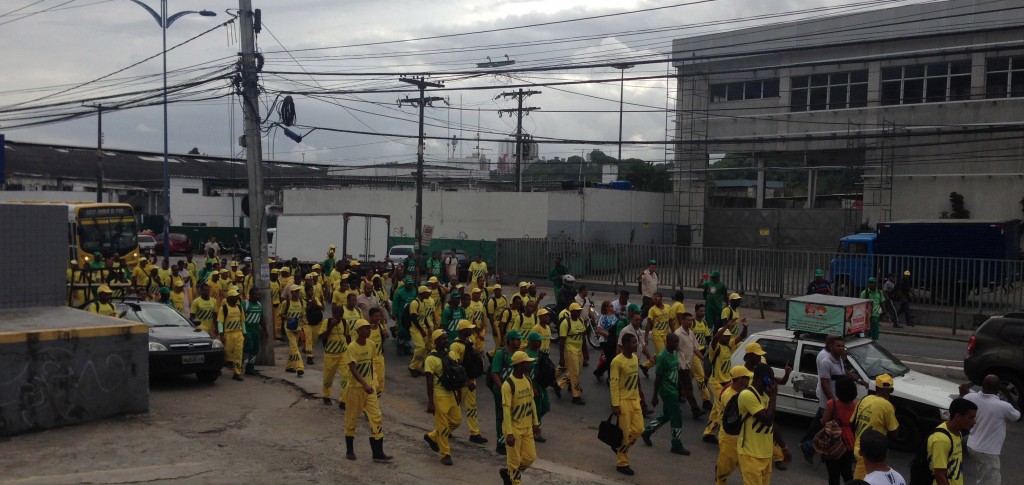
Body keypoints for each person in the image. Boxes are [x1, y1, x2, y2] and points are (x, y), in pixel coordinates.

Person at [803, 335, 867, 464]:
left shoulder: (839, 361)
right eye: (838, 346)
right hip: (829, 404)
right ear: (830, 346)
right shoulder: (825, 362)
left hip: (836, 402)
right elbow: (825, 384)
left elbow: (843, 374)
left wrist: (858, 380)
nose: (841, 348)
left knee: (826, 430)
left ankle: (813, 448)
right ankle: (811, 447)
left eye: (842, 346)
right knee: (829, 431)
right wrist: (835, 405)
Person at [342, 319, 392, 462]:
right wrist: (364, 384)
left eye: (368, 328)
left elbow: (371, 363)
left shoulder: (371, 344)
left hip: (369, 389)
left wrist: (373, 381)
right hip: (355, 389)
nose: (368, 331)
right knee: (351, 418)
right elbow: (353, 368)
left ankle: (378, 452)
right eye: (364, 329)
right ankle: (350, 449)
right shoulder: (352, 347)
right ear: (358, 331)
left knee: (376, 416)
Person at [959, 374, 1021, 484]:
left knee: (983, 478)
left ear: (982, 385)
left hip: (972, 445)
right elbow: (1018, 416)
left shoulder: (970, 397)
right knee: (990, 482)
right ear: (998, 389)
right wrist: (1009, 395)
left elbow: (958, 405)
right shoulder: (1003, 406)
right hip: (987, 452)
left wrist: (962, 394)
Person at [737, 364, 792, 484]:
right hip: (750, 454)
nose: (773, 382)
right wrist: (773, 397)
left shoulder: (764, 396)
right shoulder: (747, 395)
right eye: (771, 378)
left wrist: (784, 447)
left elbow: (771, 423)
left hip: (765, 454)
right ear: (763, 378)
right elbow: (766, 420)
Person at [641, 332, 691, 455]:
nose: (677, 344)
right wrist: (654, 396)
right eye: (674, 342)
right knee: (677, 417)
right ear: (668, 343)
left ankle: (647, 431)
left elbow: (676, 370)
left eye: (677, 342)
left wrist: (682, 387)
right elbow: (658, 378)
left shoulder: (674, 353)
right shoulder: (662, 357)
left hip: (674, 389)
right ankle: (676, 444)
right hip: (667, 391)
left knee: (667, 415)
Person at [499, 351, 540, 485]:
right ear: (519, 365)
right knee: (514, 461)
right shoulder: (508, 385)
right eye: (527, 363)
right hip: (514, 429)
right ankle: (515, 480)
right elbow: (505, 409)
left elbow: (531, 402)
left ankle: (510, 473)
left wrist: (536, 423)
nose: (530, 365)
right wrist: (509, 433)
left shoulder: (527, 379)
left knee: (530, 457)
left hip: (527, 426)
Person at [702, 323, 748, 443]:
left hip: (726, 382)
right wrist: (726, 325)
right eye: (725, 336)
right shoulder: (715, 348)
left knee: (716, 410)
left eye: (728, 336)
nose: (727, 338)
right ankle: (725, 436)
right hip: (716, 383)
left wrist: (745, 326)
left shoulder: (729, 346)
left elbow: (742, 335)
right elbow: (715, 338)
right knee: (723, 409)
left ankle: (708, 433)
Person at [610, 332, 647, 476]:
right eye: (633, 343)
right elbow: (613, 384)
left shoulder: (635, 358)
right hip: (623, 401)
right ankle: (622, 463)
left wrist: (641, 397)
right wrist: (615, 404)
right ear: (625, 345)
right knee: (624, 433)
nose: (636, 345)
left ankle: (620, 448)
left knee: (639, 429)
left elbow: (636, 379)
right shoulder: (617, 362)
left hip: (635, 399)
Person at [424, 329, 461, 466]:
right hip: (439, 396)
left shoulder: (451, 354)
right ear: (435, 341)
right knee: (443, 426)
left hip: (451, 393)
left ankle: (432, 437)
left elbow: (456, 372)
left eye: (446, 338)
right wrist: (430, 402)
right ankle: (445, 454)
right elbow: (428, 382)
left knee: (457, 421)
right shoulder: (430, 359)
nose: (446, 340)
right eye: (442, 339)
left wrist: (459, 391)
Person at [851, 374, 900, 479]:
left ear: (876, 388)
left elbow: (852, 422)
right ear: (891, 390)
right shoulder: (887, 406)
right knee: (861, 482)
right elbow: (894, 432)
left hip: (858, 446)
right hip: (870, 452)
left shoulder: (864, 399)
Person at [450, 319, 488, 445]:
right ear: (463, 330)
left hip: (470, 378)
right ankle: (448, 429)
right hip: (463, 381)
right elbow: (454, 366)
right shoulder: (455, 346)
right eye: (469, 328)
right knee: (457, 407)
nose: (472, 330)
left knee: (471, 406)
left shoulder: (469, 341)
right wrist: (465, 381)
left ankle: (474, 432)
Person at [715, 365, 754, 484]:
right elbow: (738, 414)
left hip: (742, 436)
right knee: (725, 467)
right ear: (740, 379)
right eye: (746, 378)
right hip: (729, 437)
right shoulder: (729, 396)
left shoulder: (741, 391)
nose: (748, 380)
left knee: (748, 469)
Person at [927, 398, 978, 485]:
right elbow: (939, 474)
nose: (974, 422)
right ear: (957, 416)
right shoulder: (942, 440)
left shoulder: (958, 433)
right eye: (971, 418)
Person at [490, 330, 523, 456]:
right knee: (501, 416)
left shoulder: (518, 354)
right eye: (517, 339)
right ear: (510, 341)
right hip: (501, 391)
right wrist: (502, 388)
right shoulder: (501, 353)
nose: (519, 342)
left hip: (513, 391)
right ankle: (500, 443)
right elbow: (494, 373)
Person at [822, 379, 859, 485]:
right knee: (847, 471)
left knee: (833, 475)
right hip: (849, 442)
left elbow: (824, 422)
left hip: (833, 442)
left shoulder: (831, 404)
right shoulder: (856, 406)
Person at [673, 312, 708, 419]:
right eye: (687, 320)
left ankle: (674, 404)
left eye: (691, 320)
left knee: (680, 386)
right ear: (682, 320)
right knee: (688, 388)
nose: (690, 322)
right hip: (681, 365)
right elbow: (674, 349)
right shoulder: (678, 334)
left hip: (689, 364)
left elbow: (695, 348)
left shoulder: (691, 333)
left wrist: (704, 359)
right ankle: (695, 409)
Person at [555, 303, 587, 405]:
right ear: (572, 311)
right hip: (570, 350)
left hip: (579, 350)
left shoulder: (581, 321)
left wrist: (585, 352)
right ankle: (576, 396)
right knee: (575, 373)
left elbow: (583, 337)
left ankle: (559, 385)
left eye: (579, 310)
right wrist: (561, 357)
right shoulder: (565, 323)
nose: (579, 312)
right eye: (577, 310)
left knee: (577, 372)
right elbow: (562, 341)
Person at [524, 331, 551, 442]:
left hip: (541, 384)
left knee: (545, 406)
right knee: (537, 408)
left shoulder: (540, 353)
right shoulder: (526, 355)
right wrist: (532, 387)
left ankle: (532, 425)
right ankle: (536, 431)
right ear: (531, 342)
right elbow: (525, 373)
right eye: (537, 340)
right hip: (532, 385)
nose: (540, 342)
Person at [218, 289, 246, 381]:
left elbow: (242, 321)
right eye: (234, 297)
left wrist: (244, 333)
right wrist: (221, 335)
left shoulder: (239, 307)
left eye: (237, 296)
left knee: (239, 354)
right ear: (229, 298)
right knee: (226, 353)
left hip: (238, 333)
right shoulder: (224, 308)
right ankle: (218, 368)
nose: (236, 298)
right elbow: (220, 322)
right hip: (228, 334)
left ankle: (237, 373)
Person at [280, 284, 306, 377]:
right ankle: (299, 367)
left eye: (298, 291)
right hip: (289, 328)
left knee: (293, 348)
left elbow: (303, 313)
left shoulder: (302, 302)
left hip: (298, 328)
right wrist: (288, 318)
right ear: (291, 292)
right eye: (295, 291)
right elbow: (281, 314)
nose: (297, 292)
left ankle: (289, 366)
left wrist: (303, 318)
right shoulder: (286, 303)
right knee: (295, 347)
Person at [408, 286, 433, 377]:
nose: (429, 294)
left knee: (424, 349)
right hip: (416, 329)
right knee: (420, 347)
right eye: (427, 292)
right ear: (422, 293)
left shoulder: (423, 303)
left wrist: (428, 327)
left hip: (423, 328)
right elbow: (413, 318)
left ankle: (417, 367)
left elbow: (424, 317)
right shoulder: (415, 303)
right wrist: (422, 330)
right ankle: (412, 367)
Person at [692, 304, 713, 409]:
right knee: (700, 376)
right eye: (701, 311)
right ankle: (706, 400)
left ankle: (680, 391)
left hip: (700, 352)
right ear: (695, 311)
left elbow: (708, 338)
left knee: (690, 375)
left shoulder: (704, 323)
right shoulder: (692, 323)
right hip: (692, 353)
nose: (703, 313)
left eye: (704, 311)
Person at [592, 301, 619, 382]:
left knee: (611, 359)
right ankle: (610, 378)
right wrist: (609, 336)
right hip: (605, 341)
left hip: (613, 341)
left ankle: (598, 372)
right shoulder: (603, 317)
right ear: (606, 308)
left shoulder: (614, 316)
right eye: (610, 306)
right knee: (611, 359)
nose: (612, 307)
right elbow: (599, 330)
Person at [241, 289, 262, 376]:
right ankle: (239, 364)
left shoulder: (259, 305)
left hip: (256, 331)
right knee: (249, 346)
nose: (258, 297)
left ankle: (250, 368)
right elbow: (240, 318)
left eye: (259, 295)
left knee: (255, 349)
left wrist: (265, 330)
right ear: (250, 295)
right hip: (247, 330)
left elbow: (261, 318)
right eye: (256, 295)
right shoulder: (245, 304)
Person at [645, 292, 672, 361]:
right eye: (653, 299)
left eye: (655, 299)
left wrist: (674, 333)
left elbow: (670, 321)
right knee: (662, 354)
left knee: (665, 353)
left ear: (660, 299)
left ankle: (646, 365)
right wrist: (646, 337)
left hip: (666, 334)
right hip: (657, 335)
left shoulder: (668, 307)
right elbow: (648, 324)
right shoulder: (652, 310)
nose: (654, 301)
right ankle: (661, 371)